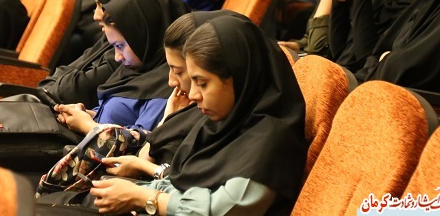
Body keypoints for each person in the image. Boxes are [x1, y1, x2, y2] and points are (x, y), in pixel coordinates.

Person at [86, 14, 307, 216]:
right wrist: (135, 191)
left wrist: (146, 198)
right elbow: (182, 182)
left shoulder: (272, 142)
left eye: (202, 83)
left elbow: (220, 210)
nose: (193, 94)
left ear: (240, 77)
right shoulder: (224, 124)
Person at [53, 0, 191, 136]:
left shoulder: (171, 89)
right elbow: (120, 117)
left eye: (120, 46)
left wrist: (87, 125)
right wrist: (87, 115)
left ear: (144, 39)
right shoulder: (136, 70)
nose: (117, 57)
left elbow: (141, 143)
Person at [39, 0, 168, 107]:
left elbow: (68, 92)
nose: (96, 15)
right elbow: (60, 76)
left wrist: (51, 86)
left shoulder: (129, 54)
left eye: (102, 6)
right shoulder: (109, 40)